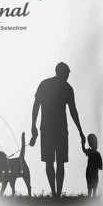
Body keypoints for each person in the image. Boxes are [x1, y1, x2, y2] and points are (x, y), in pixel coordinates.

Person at [31, 62, 85, 197]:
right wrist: (33, 125)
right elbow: (36, 105)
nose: (68, 76)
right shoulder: (61, 87)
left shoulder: (58, 86)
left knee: (55, 162)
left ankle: (57, 194)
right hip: (53, 129)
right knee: (53, 162)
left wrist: (80, 131)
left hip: (53, 129)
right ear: (61, 72)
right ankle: (56, 193)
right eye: (67, 73)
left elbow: (73, 111)